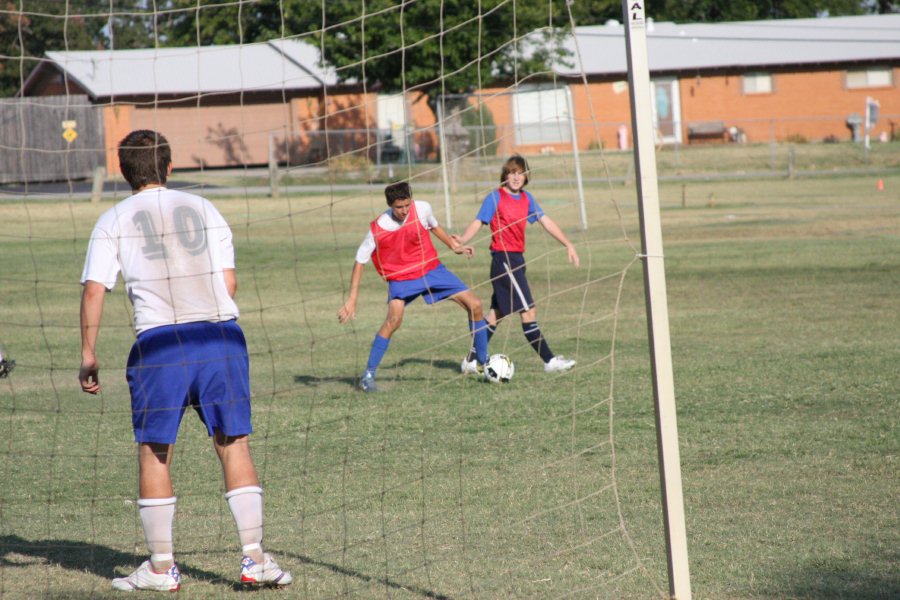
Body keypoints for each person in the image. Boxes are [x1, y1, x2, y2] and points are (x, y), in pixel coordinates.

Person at [79, 130, 291, 592]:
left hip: (160, 346)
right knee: (234, 444)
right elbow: (229, 283)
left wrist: (88, 353)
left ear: (122, 172)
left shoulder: (112, 218)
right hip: (221, 338)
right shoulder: (205, 208)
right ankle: (254, 559)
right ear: (169, 167)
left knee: (155, 453)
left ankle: (160, 568)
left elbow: (95, 289)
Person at [337, 181, 490, 392]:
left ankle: (484, 361)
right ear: (390, 205)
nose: (404, 210)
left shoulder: (423, 208)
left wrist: (453, 245)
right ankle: (368, 376)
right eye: (399, 207)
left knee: (475, 304)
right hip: (401, 278)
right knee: (393, 320)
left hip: (432, 270)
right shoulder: (378, 227)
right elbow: (359, 261)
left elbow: (434, 226)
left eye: (407, 205)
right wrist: (352, 299)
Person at [454, 155, 579, 374]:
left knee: (497, 314)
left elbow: (545, 221)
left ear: (526, 176)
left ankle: (471, 360)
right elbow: (479, 221)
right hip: (503, 260)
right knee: (529, 310)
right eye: (512, 172)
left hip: (518, 260)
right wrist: (463, 240)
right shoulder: (495, 197)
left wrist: (568, 244)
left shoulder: (527, 199)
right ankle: (550, 361)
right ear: (505, 176)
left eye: (520, 173)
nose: (516, 177)